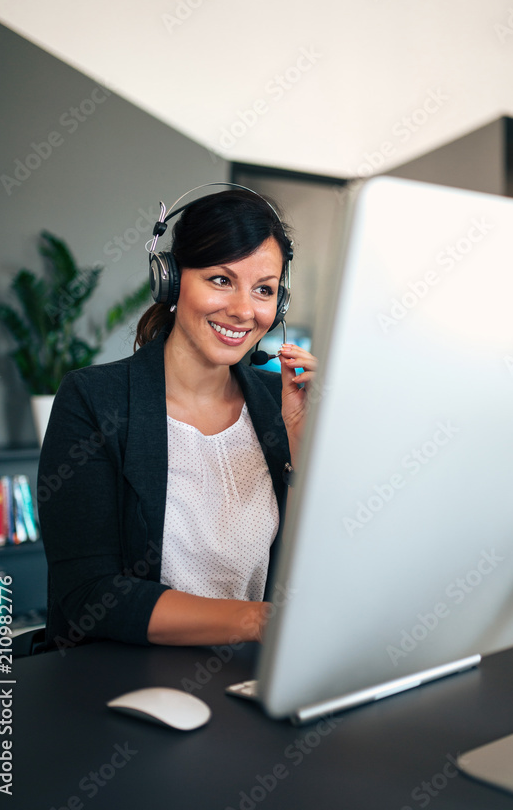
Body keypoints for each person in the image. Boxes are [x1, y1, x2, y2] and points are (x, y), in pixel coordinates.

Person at [38, 187, 317, 654]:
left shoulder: (280, 404)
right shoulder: (93, 399)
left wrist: (303, 443)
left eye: (264, 289)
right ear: (169, 280)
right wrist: (259, 620)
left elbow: (323, 568)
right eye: (220, 280)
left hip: (247, 683)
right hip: (121, 688)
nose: (244, 310)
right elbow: (89, 594)